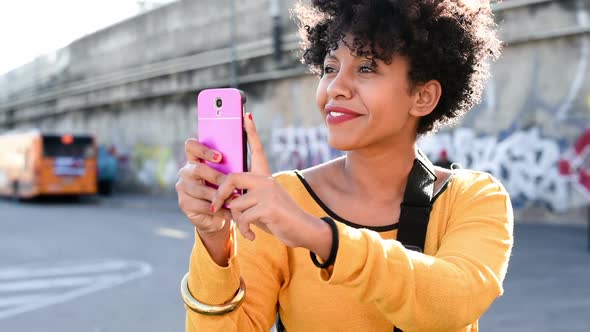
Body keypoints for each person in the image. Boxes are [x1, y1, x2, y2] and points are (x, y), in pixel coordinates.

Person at [176, 0, 513, 331]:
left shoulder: (473, 198)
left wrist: (318, 236)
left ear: (422, 96)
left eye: (366, 68)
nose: (335, 88)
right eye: (329, 68)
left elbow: (454, 301)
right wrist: (215, 241)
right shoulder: (281, 199)